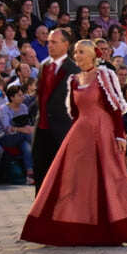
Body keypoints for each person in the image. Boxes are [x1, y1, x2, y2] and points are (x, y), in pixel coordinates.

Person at [20, 40, 127, 245]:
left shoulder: (104, 75)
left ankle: (115, 229)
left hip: (103, 132)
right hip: (80, 133)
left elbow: (114, 107)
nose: (77, 56)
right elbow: (74, 112)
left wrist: (120, 135)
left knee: (109, 179)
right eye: (75, 52)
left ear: (94, 54)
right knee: (73, 179)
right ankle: (72, 229)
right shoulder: (74, 79)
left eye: (82, 52)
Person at [32, 28, 79, 190]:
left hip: (62, 130)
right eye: (48, 42)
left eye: (54, 42)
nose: (49, 45)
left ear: (66, 45)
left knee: (62, 177)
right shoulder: (44, 66)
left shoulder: (74, 70)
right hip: (42, 129)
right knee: (40, 174)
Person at [0, 83, 35, 184]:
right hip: (5, 137)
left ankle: (30, 174)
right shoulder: (3, 109)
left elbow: (26, 123)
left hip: (21, 137)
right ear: (12, 97)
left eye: (22, 95)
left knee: (27, 147)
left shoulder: (23, 107)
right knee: (27, 136)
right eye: (19, 95)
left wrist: (29, 129)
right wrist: (24, 130)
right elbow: (7, 128)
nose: (23, 97)